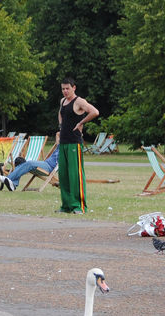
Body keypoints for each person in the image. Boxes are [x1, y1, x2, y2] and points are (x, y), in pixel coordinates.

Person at [57, 78, 99, 214]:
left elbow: (94, 112)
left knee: (75, 175)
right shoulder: (63, 101)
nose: (65, 91)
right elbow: (60, 113)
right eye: (63, 88)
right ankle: (66, 206)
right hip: (63, 142)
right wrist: (61, 127)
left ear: (73, 88)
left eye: (67, 88)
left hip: (74, 142)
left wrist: (81, 123)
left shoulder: (79, 101)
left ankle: (78, 206)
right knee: (63, 176)